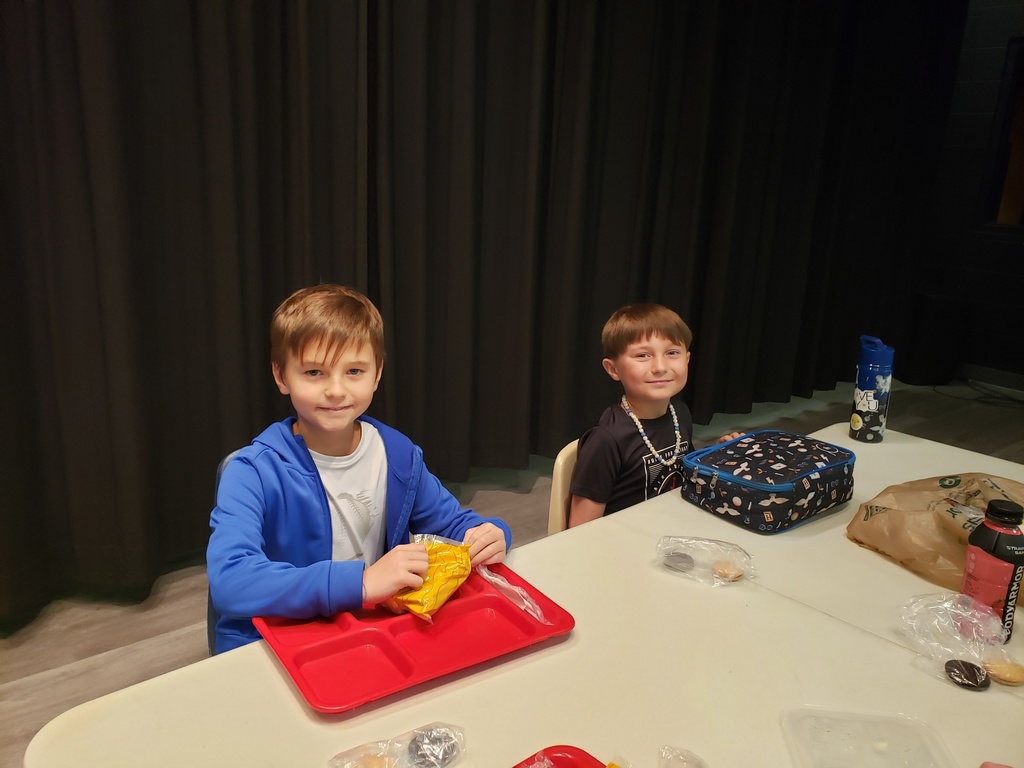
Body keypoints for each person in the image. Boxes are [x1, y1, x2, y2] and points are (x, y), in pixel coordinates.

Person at [207, 284, 511, 653]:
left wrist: (492, 533)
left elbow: (452, 524)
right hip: (285, 638)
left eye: (354, 371)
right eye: (314, 372)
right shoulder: (251, 471)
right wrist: (362, 584)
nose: (336, 390)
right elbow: (231, 581)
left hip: (367, 632)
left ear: (377, 373)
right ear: (281, 376)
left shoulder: (398, 454)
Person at [568, 303, 741, 528]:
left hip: (672, 531)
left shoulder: (679, 413)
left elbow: (684, 477)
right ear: (613, 369)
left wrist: (717, 458)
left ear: (687, 359)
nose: (660, 366)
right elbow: (580, 531)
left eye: (672, 353)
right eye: (642, 355)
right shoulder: (606, 440)